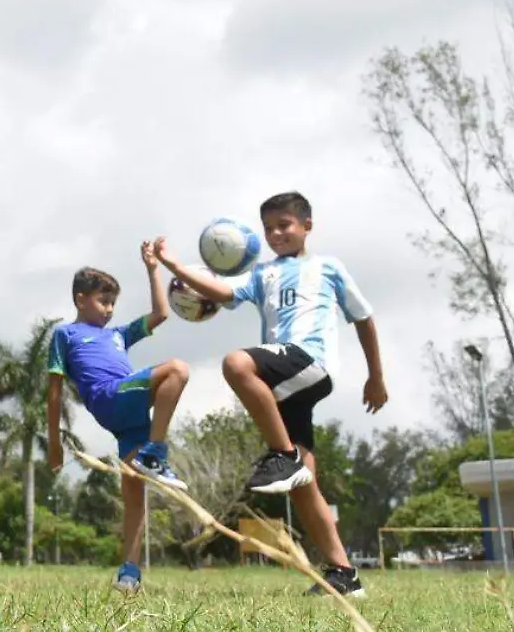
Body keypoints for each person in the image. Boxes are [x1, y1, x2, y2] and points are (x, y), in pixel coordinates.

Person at [152, 192, 386, 598]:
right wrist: (172, 266)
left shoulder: (328, 267)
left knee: (236, 363)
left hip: (310, 363)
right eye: (269, 228)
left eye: (285, 225)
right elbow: (221, 292)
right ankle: (344, 575)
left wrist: (375, 377)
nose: (277, 234)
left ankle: (284, 456)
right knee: (303, 485)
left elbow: (364, 319)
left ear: (307, 226)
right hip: (284, 386)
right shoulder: (262, 275)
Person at [45, 244, 191, 594]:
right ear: (81, 300)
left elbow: (160, 313)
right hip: (110, 397)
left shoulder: (118, 335)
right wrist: (54, 441)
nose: (109, 310)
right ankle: (156, 451)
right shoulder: (66, 334)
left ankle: (129, 573)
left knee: (134, 496)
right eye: (102, 301)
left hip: (130, 417)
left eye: (112, 303)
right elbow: (54, 392)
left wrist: (152, 268)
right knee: (177, 369)